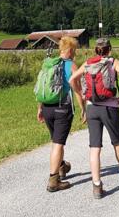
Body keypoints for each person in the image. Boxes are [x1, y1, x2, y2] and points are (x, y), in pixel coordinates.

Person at [69, 38, 119, 199]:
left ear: (96, 50)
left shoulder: (87, 63)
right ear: (109, 49)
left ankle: (97, 186)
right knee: (117, 142)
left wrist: (81, 94)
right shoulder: (112, 62)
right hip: (109, 108)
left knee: (95, 147)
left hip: (92, 108)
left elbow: (72, 79)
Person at [36, 37, 78, 192]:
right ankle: (53, 180)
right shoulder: (71, 65)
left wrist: (40, 108)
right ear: (71, 50)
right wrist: (84, 109)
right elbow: (77, 89)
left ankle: (61, 167)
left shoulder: (49, 64)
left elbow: (42, 87)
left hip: (47, 107)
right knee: (58, 144)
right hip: (62, 108)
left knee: (56, 141)